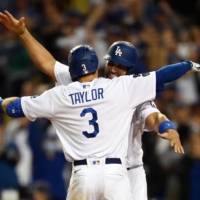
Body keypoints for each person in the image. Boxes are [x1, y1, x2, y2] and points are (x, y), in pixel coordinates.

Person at [0, 10, 198, 199]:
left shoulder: (131, 89)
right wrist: (23, 33)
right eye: (112, 63)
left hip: (127, 171)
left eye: (121, 66)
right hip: (111, 174)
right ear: (99, 65)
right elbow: (48, 64)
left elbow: (154, 116)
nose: (114, 69)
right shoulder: (118, 87)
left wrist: (167, 126)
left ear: (131, 70)